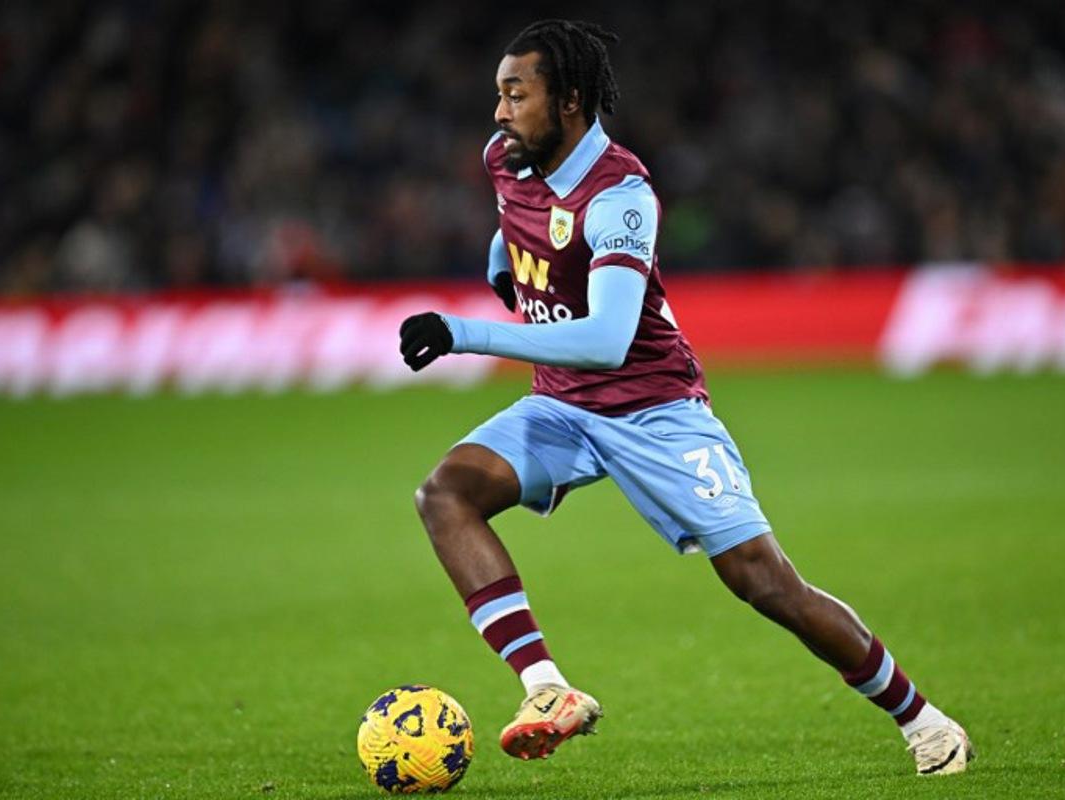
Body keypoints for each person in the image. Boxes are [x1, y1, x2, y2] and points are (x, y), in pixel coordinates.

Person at [398, 19, 973, 775]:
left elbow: (607, 339)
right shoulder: (507, 157)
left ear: (569, 101)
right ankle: (548, 689)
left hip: (652, 409)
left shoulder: (621, 197)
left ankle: (925, 721)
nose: (499, 113)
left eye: (516, 94)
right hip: (565, 406)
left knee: (763, 582)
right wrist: (504, 263)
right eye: (497, 94)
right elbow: (513, 221)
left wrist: (464, 332)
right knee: (446, 494)